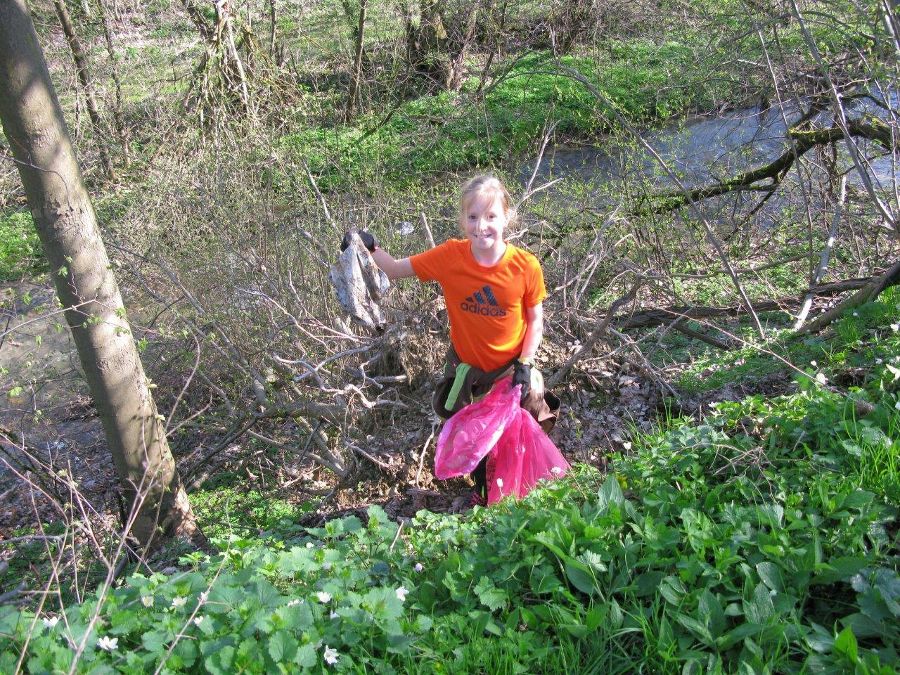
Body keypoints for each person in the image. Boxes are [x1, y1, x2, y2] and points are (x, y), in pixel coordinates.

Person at [341, 174, 559, 503]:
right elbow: (397, 269)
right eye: (472, 217)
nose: (481, 226)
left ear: (506, 217)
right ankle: (486, 492)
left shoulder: (525, 267)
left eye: (490, 217)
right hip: (469, 372)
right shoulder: (451, 257)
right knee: (476, 437)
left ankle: (523, 489)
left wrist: (525, 365)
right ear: (463, 220)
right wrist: (367, 245)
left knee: (518, 428)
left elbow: (535, 320)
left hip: (510, 369)